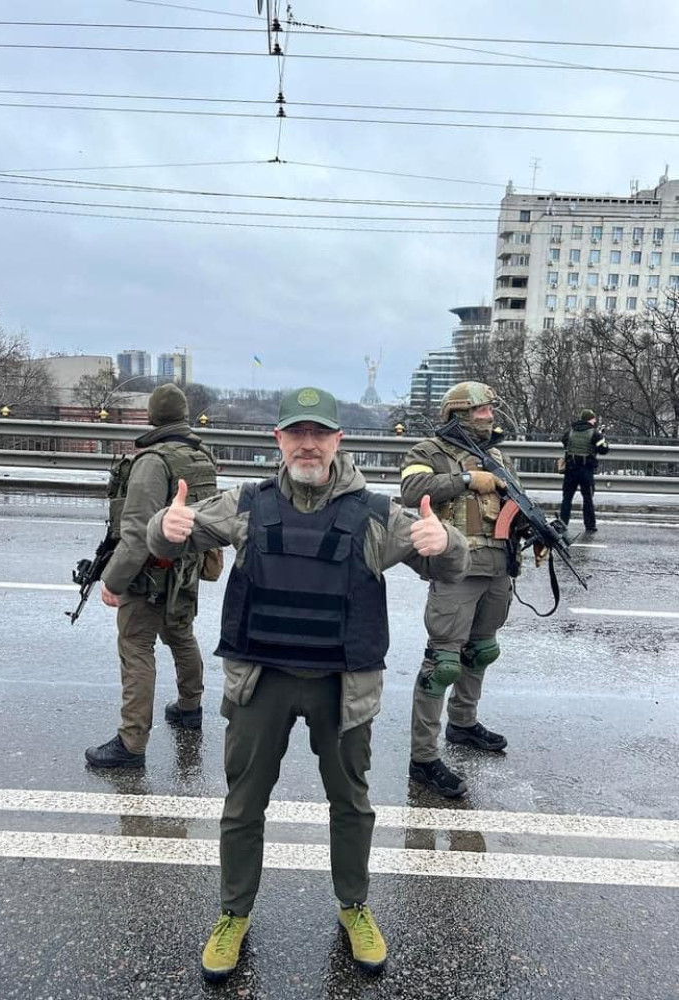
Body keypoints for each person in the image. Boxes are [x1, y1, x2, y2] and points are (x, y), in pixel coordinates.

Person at [146, 386, 470, 981]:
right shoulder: (246, 505)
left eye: (320, 433)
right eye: (297, 432)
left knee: (351, 805)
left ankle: (354, 906)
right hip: (261, 681)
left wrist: (448, 543)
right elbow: (169, 537)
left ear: (338, 440)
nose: (308, 444)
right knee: (243, 805)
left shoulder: (374, 514)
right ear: (279, 439)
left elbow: (450, 562)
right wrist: (163, 527)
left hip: (341, 689)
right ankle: (233, 913)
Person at [400, 381, 533, 799]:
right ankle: (423, 758)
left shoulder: (497, 455)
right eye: (481, 410)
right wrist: (467, 479)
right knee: (443, 663)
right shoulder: (428, 451)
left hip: (498, 566)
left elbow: (516, 502)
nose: (489, 416)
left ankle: (463, 723)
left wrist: (536, 530)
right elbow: (411, 491)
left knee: (482, 651)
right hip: (456, 568)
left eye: (490, 409)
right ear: (458, 413)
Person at [85, 384, 217, 769]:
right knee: (181, 634)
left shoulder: (152, 461)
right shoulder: (201, 456)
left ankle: (131, 743)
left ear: (152, 417)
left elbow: (137, 531)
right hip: (187, 568)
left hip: (151, 573)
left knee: (136, 646)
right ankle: (189, 709)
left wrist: (113, 581)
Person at [559, 408, 609, 534]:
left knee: (567, 498)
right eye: (593, 419)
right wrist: (602, 438)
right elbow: (604, 450)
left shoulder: (570, 431)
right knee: (587, 498)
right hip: (586, 470)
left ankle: (562, 524)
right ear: (589, 419)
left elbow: (564, 442)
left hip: (570, 469)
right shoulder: (595, 434)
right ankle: (590, 526)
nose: (595, 421)